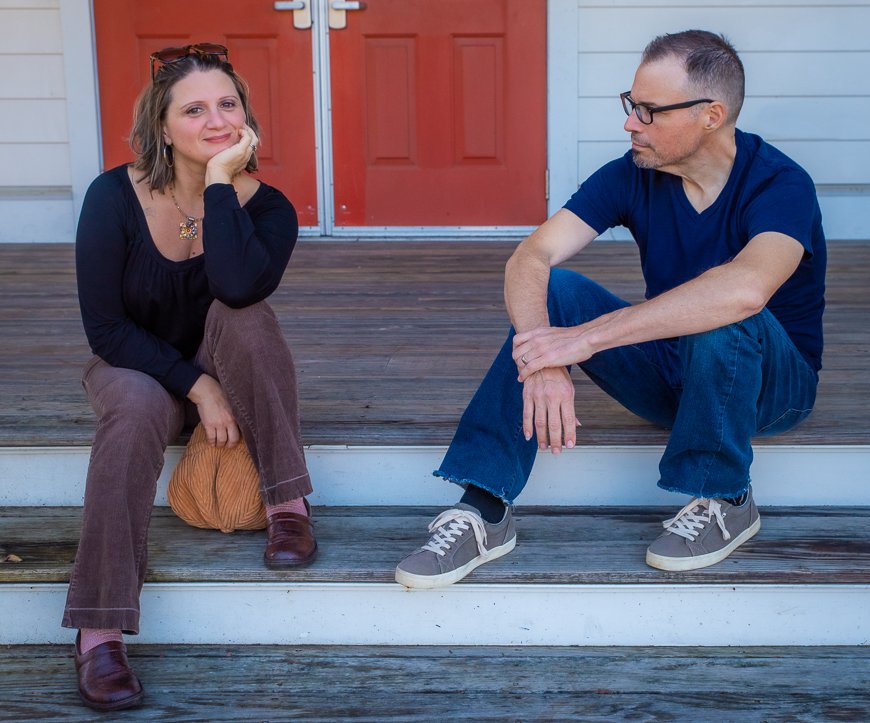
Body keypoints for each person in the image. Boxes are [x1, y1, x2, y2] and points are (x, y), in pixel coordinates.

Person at [395, 29, 825, 589]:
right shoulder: (634, 172)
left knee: (726, 309)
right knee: (557, 289)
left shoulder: (781, 183)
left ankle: (727, 497)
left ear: (711, 115)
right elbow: (530, 256)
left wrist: (585, 339)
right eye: (631, 105)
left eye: (648, 111)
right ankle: (484, 507)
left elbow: (747, 288)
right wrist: (544, 358)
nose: (630, 124)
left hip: (771, 389)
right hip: (673, 375)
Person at [63, 43, 316, 711]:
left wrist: (218, 184)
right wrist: (198, 389)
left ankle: (287, 503)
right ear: (162, 126)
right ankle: (100, 629)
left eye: (227, 104)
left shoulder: (270, 210)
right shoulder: (111, 198)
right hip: (133, 365)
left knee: (248, 319)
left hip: (226, 356)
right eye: (194, 109)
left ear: (247, 117)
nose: (215, 120)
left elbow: (235, 286)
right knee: (136, 410)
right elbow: (106, 330)